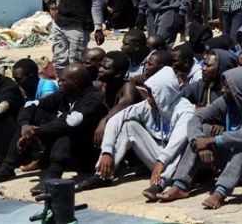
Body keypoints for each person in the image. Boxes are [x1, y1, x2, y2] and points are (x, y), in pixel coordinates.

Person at [156, 66, 242, 209]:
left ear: (240, 89)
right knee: (205, 129)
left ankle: (221, 191)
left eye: (228, 87)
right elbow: (196, 118)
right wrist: (198, 142)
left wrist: (212, 141)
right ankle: (180, 185)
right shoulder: (225, 102)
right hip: (229, 162)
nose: (223, 90)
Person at [0, 64, 107, 194]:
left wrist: (36, 132)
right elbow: (31, 107)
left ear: (76, 82)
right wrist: (25, 125)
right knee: (37, 114)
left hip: (87, 157)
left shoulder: (93, 100)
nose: (59, 83)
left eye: (63, 80)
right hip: (66, 153)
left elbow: (71, 123)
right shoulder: (65, 95)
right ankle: (7, 167)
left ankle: (53, 176)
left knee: (64, 131)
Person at [77, 66, 194, 196]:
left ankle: (160, 184)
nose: (149, 99)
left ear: (163, 93)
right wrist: (107, 151)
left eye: (153, 95)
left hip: (175, 164)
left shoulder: (185, 109)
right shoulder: (148, 106)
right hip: (157, 159)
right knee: (129, 125)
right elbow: (116, 119)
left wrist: (162, 160)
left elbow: (178, 140)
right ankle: (103, 174)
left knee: (183, 144)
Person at [91, 51, 141, 151]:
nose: (100, 70)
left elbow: (124, 104)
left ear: (118, 73)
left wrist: (104, 121)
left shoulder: (127, 87)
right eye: (100, 66)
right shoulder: (99, 86)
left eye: (105, 68)